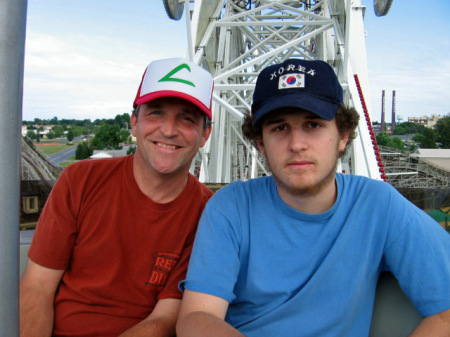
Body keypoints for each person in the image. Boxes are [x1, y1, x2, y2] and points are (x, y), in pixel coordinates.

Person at [176, 59, 450, 336]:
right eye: (279, 128)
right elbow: (198, 316)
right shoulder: (230, 206)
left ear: (343, 136)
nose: (296, 144)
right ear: (261, 142)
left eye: (313, 125)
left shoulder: (378, 205)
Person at [20, 57, 214, 337]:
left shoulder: (208, 214)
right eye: (156, 113)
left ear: (205, 134)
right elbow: (37, 287)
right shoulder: (79, 180)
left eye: (186, 118)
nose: (169, 130)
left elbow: (165, 318)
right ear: (134, 123)